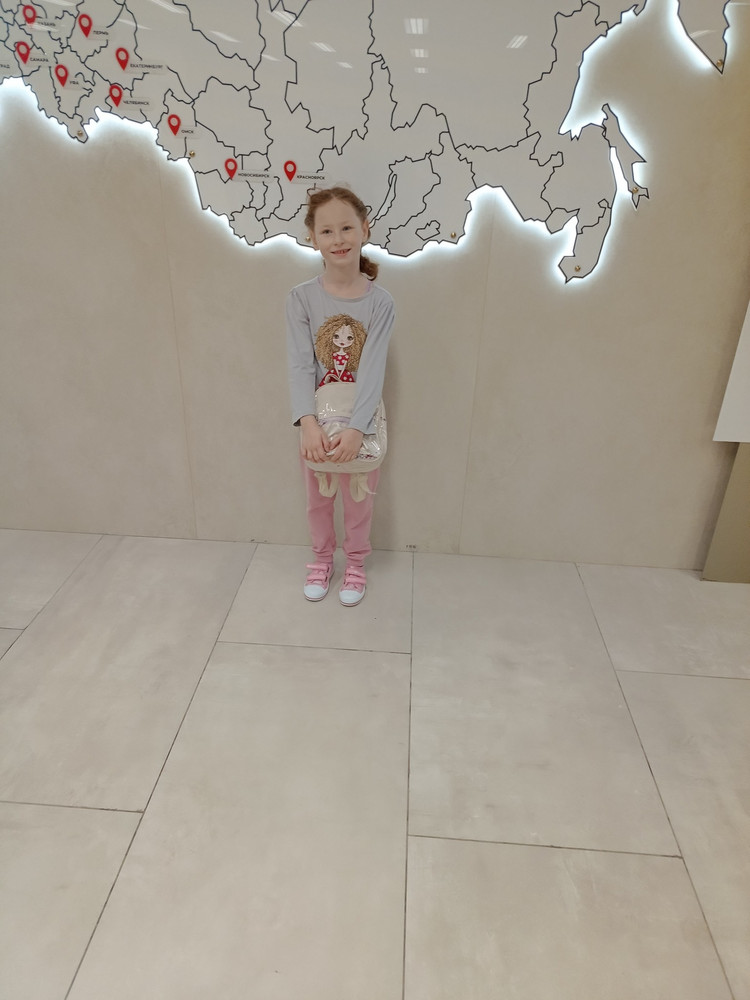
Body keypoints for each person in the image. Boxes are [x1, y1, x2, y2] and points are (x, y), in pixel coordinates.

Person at [286, 186, 395, 606]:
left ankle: (355, 565)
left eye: (347, 228)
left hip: (361, 423)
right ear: (313, 237)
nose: (338, 239)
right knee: (318, 499)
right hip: (316, 422)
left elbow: (373, 369)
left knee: (359, 499)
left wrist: (355, 430)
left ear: (365, 229)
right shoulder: (300, 298)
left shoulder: (380, 303)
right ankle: (320, 561)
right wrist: (307, 425)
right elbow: (299, 364)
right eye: (327, 231)